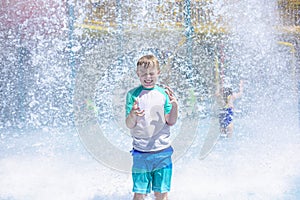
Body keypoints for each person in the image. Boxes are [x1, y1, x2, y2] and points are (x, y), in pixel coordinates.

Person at [125, 55, 178, 200]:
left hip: (163, 152)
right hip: (141, 153)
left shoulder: (163, 94)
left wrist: (174, 106)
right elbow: (129, 124)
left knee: (161, 193)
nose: (147, 77)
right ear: (138, 74)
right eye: (143, 74)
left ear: (158, 73)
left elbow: (171, 121)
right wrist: (133, 113)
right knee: (139, 193)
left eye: (151, 73)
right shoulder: (133, 95)